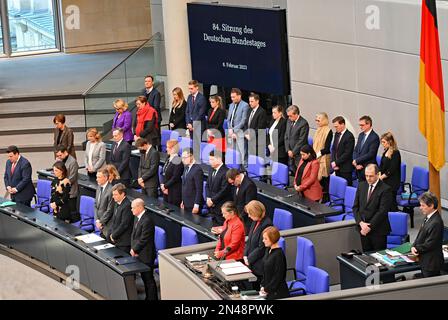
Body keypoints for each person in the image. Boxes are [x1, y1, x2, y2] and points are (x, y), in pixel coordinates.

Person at [353, 164, 393, 252]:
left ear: (378, 174)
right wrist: (361, 223)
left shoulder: (386, 189)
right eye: (366, 175)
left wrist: (369, 226)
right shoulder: (361, 186)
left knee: (378, 260)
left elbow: (382, 212)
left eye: (371, 176)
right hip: (363, 229)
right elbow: (355, 207)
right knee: (366, 257)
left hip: (378, 231)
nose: (368, 178)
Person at [412, 192, 445, 278]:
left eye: (423, 205)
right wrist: (414, 245)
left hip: (431, 263)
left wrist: (417, 248)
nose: (420, 208)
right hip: (425, 260)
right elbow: (421, 235)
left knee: (429, 289)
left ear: (431, 205)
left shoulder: (436, 222)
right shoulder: (428, 217)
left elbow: (431, 243)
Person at [130, 198, 158, 300]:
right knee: (144, 278)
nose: (131, 210)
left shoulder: (147, 220)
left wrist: (135, 249)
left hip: (147, 255)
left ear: (139, 207)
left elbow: (144, 239)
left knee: (148, 279)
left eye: (133, 208)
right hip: (140, 253)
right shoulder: (137, 218)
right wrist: (134, 248)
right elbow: (134, 235)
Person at [244, 201, 273, 290]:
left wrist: (249, 259)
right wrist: (245, 255)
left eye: (250, 213)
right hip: (252, 261)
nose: (248, 216)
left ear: (256, 212)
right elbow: (249, 239)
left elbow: (262, 247)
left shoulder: (267, 224)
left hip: (260, 264)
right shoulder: (255, 221)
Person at [260, 226, 289, 300]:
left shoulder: (279, 255)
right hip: (268, 289)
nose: (263, 241)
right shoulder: (268, 250)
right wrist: (263, 285)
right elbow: (265, 270)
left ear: (272, 239)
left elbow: (277, 277)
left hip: (277, 293)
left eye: (265, 239)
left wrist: (266, 289)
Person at [206, 151, 232, 226]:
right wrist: (208, 198)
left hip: (220, 207)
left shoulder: (226, 172)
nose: (209, 162)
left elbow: (224, 190)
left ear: (219, 159)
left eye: (212, 159)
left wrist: (212, 200)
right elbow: (207, 185)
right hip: (211, 207)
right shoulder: (211, 169)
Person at [55, 145, 80, 222]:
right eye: (58, 155)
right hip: (63, 191)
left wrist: (63, 183)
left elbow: (73, 177)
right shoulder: (61, 160)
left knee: (72, 212)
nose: (59, 157)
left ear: (65, 152)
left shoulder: (72, 162)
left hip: (71, 191)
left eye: (60, 155)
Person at [106, 184, 133, 254]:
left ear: (122, 194)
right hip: (115, 238)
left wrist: (113, 235)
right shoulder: (117, 203)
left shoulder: (127, 205)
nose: (113, 197)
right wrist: (110, 234)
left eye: (115, 195)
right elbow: (114, 221)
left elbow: (124, 225)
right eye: (113, 194)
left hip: (123, 242)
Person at [313, 112, 333, 202]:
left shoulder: (328, 131)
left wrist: (317, 154)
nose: (317, 122)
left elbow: (327, 148)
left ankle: (325, 200)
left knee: (324, 181)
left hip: (324, 158)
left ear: (324, 120)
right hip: (316, 158)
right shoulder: (318, 129)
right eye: (316, 120)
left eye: (318, 120)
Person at [352, 116, 380, 182]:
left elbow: (371, 154)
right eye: (360, 125)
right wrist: (355, 163)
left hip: (368, 169)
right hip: (359, 168)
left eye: (362, 125)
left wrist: (357, 160)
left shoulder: (374, 137)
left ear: (369, 124)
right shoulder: (361, 135)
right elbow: (356, 150)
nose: (360, 127)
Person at [379, 132, 402, 211]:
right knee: (385, 203)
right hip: (385, 181)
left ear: (390, 142)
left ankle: (395, 219)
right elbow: (381, 166)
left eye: (384, 142)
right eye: (381, 142)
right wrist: (379, 174)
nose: (382, 144)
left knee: (391, 203)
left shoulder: (396, 153)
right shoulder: (385, 151)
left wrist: (381, 177)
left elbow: (392, 169)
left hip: (392, 182)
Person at [227, 88, 249, 167]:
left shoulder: (245, 105)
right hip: (231, 133)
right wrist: (230, 129)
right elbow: (229, 119)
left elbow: (243, 121)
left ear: (239, 96)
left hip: (240, 133)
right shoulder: (231, 105)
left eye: (233, 97)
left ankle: (245, 173)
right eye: (231, 97)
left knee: (243, 155)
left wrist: (233, 130)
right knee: (234, 155)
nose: (232, 99)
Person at [284, 105, 309, 174]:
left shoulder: (303, 123)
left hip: (299, 154)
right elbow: (286, 136)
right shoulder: (289, 121)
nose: (289, 117)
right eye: (288, 116)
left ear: (296, 114)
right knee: (294, 172)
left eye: (290, 116)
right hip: (290, 153)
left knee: (301, 173)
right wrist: (288, 150)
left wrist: (293, 152)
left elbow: (302, 140)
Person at [331, 116, 355, 186]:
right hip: (336, 167)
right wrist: (333, 162)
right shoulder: (337, 134)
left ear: (342, 124)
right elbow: (334, 149)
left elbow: (347, 153)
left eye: (336, 126)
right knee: (338, 187)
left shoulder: (349, 136)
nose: (335, 128)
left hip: (345, 168)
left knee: (346, 187)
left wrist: (336, 162)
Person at [180, 148, 204, 214]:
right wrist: (183, 200)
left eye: (185, 157)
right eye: (182, 158)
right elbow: (184, 185)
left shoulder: (197, 170)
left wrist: (196, 205)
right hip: (186, 202)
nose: (183, 160)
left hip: (193, 204)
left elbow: (199, 189)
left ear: (192, 156)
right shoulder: (186, 167)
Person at [161, 140, 183, 207]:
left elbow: (175, 177)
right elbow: (164, 172)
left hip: (174, 191)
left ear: (173, 148)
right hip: (166, 188)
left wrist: (165, 186)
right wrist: (163, 186)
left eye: (168, 147)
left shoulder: (178, 160)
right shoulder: (168, 158)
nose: (166, 149)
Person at [244, 93, 267, 158]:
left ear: (257, 101)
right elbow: (246, 123)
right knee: (252, 159)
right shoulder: (249, 110)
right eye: (249, 101)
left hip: (258, 142)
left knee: (258, 160)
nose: (250, 103)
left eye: (252, 101)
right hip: (249, 139)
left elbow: (260, 128)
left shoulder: (262, 112)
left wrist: (251, 135)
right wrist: (246, 133)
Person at [94, 169, 114, 237]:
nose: (97, 179)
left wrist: (101, 222)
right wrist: (97, 220)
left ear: (105, 178)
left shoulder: (111, 190)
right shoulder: (99, 187)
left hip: (107, 225)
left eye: (99, 177)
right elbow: (96, 205)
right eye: (97, 177)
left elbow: (110, 210)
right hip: (99, 222)